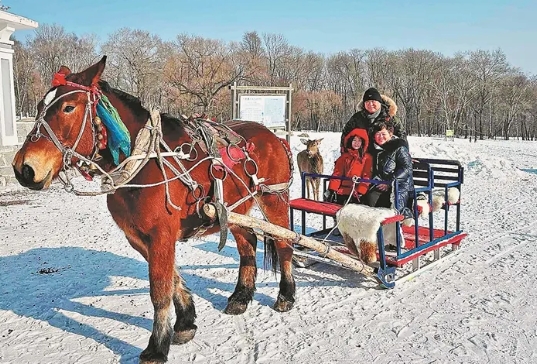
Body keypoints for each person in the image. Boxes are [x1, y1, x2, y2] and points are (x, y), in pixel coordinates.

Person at [362, 121, 414, 219]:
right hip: (379, 185)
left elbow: (406, 169)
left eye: (383, 134)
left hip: (398, 186)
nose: (380, 137)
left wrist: (389, 182)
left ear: (390, 134)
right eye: (377, 134)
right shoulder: (374, 150)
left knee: (374, 200)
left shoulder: (399, 147)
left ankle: (388, 230)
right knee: (365, 199)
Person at [341, 87, 406, 154]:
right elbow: (346, 134)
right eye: (367, 102)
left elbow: (401, 136)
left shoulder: (390, 117)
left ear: (379, 102)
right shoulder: (357, 118)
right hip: (363, 155)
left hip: (386, 154)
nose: (370, 104)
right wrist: (345, 153)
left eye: (373, 101)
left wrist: (404, 154)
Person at [324, 128, 372, 205]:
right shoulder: (344, 157)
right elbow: (337, 174)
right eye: (354, 140)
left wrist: (361, 191)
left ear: (363, 143)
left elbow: (367, 176)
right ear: (350, 141)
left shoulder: (367, 158)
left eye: (359, 141)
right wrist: (332, 189)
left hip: (356, 192)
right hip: (343, 191)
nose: (357, 143)